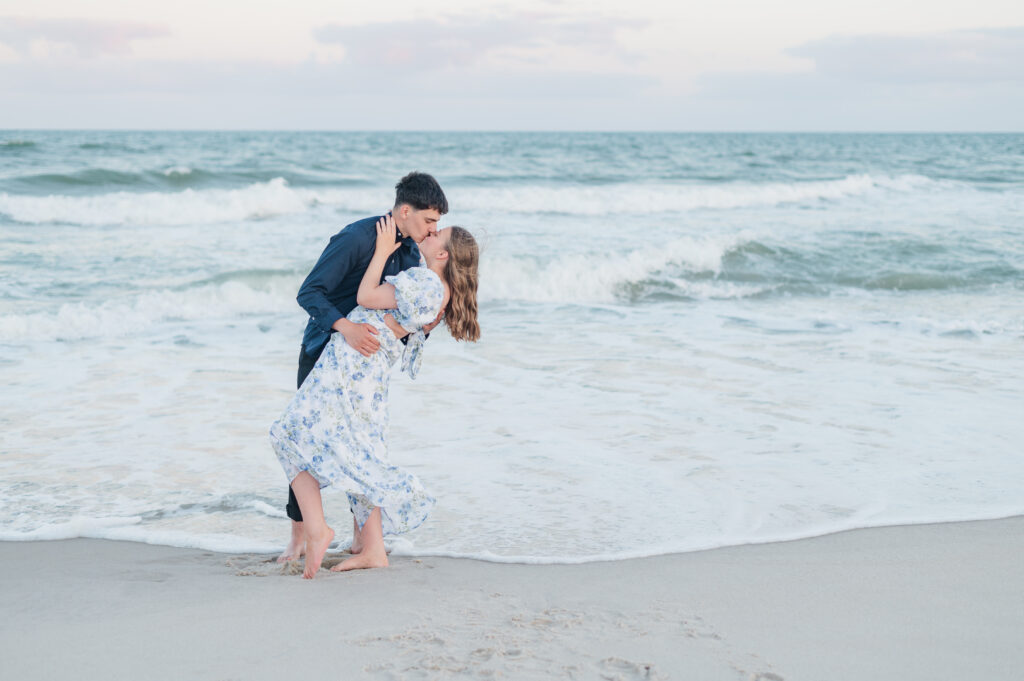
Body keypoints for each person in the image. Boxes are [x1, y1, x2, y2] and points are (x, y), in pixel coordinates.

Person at [270, 215, 480, 577]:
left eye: (437, 233)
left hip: (352, 361)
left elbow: (365, 296)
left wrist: (382, 252)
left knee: (287, 434)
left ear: (443, 255)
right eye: (431, 224)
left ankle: (318, 531)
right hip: (368, 367)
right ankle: (373, 549)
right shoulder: (437, 292)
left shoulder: (425, 281)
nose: (430, 233)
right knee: (359, 452)